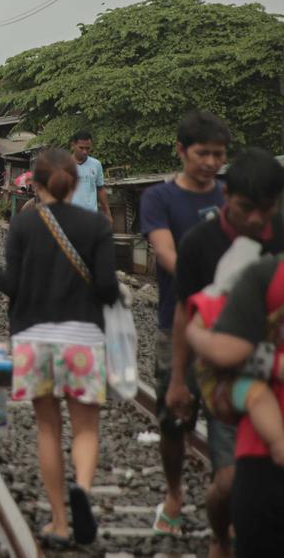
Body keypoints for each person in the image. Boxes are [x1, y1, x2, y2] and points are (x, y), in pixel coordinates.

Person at [0, 149, 121, 547]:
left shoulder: (23, 225)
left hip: (33, 340)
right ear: (76, 182)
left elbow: (12, 285)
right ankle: (83, 491)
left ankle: (58, 522)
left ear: (33, 184)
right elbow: (107, 289)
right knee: (86, 428)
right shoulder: (96, 226)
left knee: (48, 429)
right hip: (84, 340)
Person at [170, 148, 284, 557]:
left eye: (266, 209)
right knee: (229, 480)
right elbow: (187, 312)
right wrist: (178, 380)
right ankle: (220, 532)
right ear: (225, 196)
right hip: (223, 375)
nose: (256, 219)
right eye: (245, 208)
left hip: (267, 374)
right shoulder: (200, 243)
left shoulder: (280, 232)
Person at [139, 111, 231, 537]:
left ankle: (226, 503)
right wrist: (208, 283)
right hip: (175, 323)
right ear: (181, 151)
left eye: (218, 154)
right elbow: (166, 253)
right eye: (202, 154)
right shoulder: (159, 199)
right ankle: (174, 494)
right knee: (174, 419)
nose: (211, 162)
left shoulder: (232, 197)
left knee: (227, 418)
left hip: (230, 327)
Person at [186, 252, 284, 556]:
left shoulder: (226, 300)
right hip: (259, 459)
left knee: (255, 396)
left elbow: (222, 350)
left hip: (260, 458)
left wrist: (192, 334)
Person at [70, 131, 112, 222]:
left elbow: (100, 189)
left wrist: (108, 213)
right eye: (81, 148)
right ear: (73, 145)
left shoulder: (96, 164)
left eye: (88, 148)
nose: (85, 152)